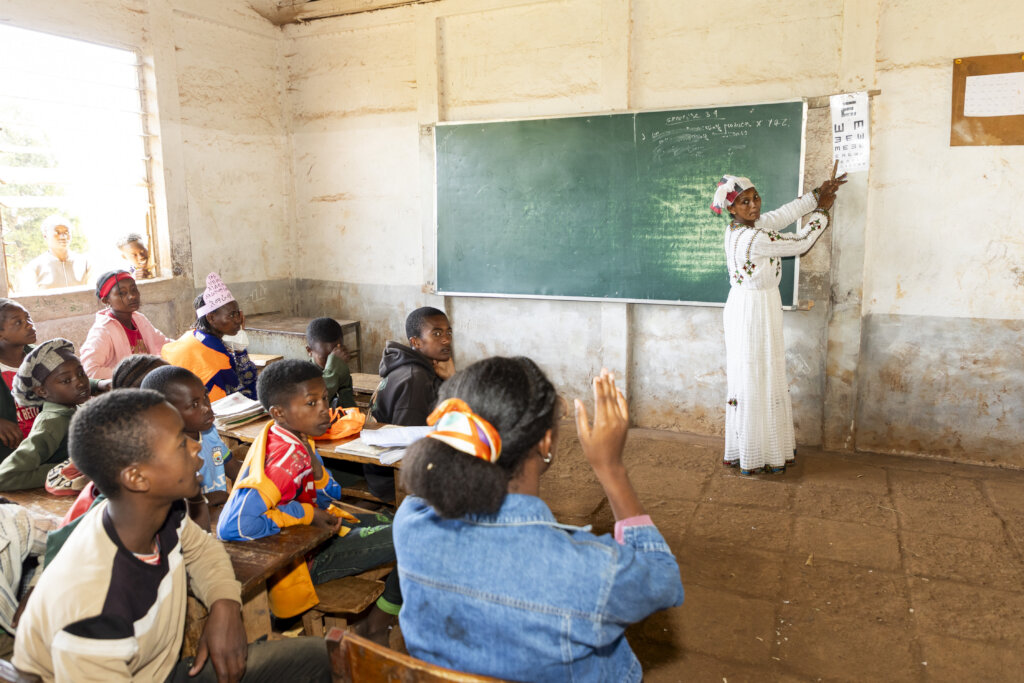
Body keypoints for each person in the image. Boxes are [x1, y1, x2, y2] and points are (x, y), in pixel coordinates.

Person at [394, 359, 683, 682]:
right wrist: (610, 468)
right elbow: (663, 577)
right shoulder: (585, 571)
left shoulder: (410, 522)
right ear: (545, 443)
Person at [12, 389, 332, 682]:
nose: (196, 446)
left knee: (323, 658)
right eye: (181, 442)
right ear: (137, 477)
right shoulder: (94, 608)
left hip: (160, 671)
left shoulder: (158, 510)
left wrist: (224, 604)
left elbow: (203, 549)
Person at [217, 360, 401, 634]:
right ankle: (377, 623)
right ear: (279, 412)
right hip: (304, 563)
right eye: (311, 404)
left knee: (397, 521)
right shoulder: (284, 458)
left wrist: (316, 470)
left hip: (318, 540)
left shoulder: (297, 439)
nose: (325, 411)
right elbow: (233, 526)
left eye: (325, 399)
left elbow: (329, 496)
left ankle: (386, 611)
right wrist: (307, 514)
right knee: (412, 535)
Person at [711, 173, 846, 475]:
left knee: (757, 373)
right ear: (731, 209)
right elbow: (800, 242)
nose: (754, 205)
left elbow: (783, 215)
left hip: (754, 304)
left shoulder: (745, 228)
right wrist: (822, 211)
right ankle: (757, 453)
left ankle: (757, 446)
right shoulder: (753, 237)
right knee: (756, 375)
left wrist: (817, 194)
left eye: (755, 197)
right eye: (744, 202)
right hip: (753, 310)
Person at [368, 306, 454, 500]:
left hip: (394, 466)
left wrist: (452, 378)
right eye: (437, 333)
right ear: (415, 342)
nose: (446, 339)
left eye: (448, 332)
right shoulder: (415, 379)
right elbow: (408, 443)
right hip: (393, 477)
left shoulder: (424, 369)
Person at [141, 365, 241, 507]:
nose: (207, 407)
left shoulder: (210, 432)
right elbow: (180, 508)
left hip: (218, 514)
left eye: (205, 396)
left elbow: (234, 469)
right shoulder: (165, 454)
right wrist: (218, 497)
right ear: (167, 413)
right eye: (194, 404)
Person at [0, 340, 93, 492]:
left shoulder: (72, 408)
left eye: (81, 373)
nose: (80, 383)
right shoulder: (51, 423)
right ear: (42, 391)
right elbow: (5, 476)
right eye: (66, 380)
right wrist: (62, 470)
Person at [161, 272, 258, 401]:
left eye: (238, 313)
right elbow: (243, 392)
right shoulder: (215, 354)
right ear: (211, 318)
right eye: (231, 315)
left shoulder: (194, 334)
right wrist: (241, 352)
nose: (238, 320)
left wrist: (239, 347)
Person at [79, 271, 173, 380]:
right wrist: (132, 374)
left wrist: (188, 343)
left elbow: (164, 345)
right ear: (106, 300)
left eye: (134, 290)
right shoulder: (103, 330)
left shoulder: (139, 319)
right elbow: (89, 371)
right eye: (122, 293)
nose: (132, 296)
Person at [0, 300, 38, 462]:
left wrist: (99, 384)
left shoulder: (42, 357)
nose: (29, 325)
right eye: (18, 322)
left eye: (28, 318)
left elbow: (68, 378)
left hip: (42, 441)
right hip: (9, 446)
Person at [19, 215, 93, 292]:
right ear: (45, 236)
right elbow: (28, 299)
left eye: (66, 232)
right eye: (57, 232)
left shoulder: (85, 263)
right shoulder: (34, 267)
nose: (63, 237)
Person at [306, 317, 356, 409]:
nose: (331, 363)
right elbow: (314, 406)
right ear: (309, 351)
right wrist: (333, 371)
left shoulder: (340, 367)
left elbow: (349, 408)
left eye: (334, 357)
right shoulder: (301, 378)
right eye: (326, 358)